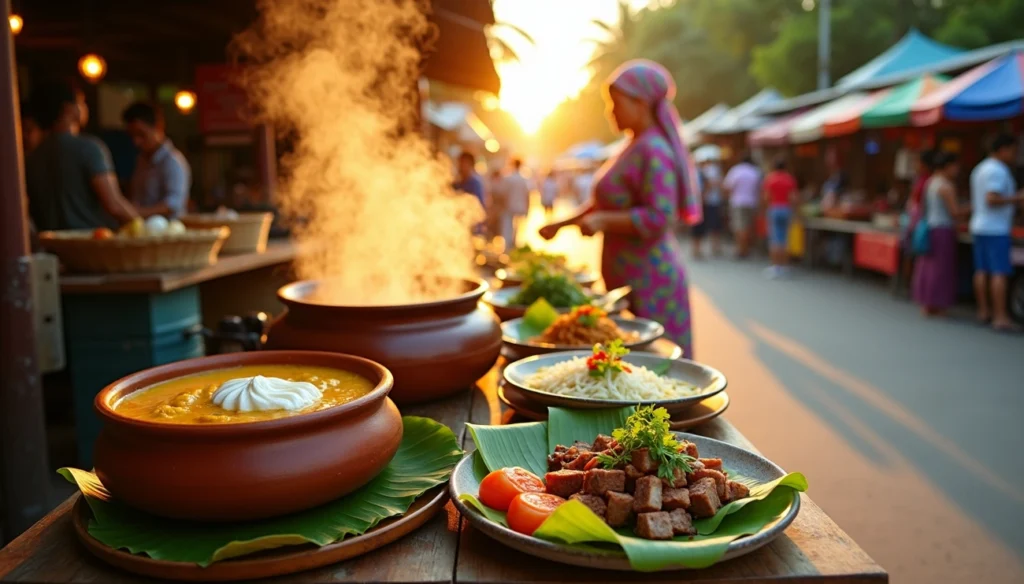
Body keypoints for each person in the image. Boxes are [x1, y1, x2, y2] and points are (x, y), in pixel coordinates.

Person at [538, 60, 701, 357]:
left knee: (657, 368)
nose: (610, 111)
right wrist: (563, 224)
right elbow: (603, 204)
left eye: (616, 102)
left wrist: (603, 222)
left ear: (641, 103)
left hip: (652, 282)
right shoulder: (632, 145)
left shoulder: (654, 150)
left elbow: (660, 217)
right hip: (629, 281)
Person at [25, 79, 138, 231]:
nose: (85, 107)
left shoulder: (32, 157)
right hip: (89, 246)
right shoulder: (89, 148)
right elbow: (114, 205)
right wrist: (144, 227)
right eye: (81, 102)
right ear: (69, 109)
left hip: (50, 246)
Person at [969, 134, 1024, 332]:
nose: (1015, 154)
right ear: (1004, 149)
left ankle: (984, 311)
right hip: (996, 228)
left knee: (982, 270)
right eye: (1013, 150)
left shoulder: (980, 168)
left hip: (979, 226)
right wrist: (1017, 198)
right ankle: (1000, 316)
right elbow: (992, 198)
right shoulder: (998, 171)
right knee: (999, 272)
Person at [912, 153, 967, 316]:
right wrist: (975, 207)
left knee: (928, 268)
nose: (957, 170)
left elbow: (922, 207)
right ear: (948, 166)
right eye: (956, 166)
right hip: (943, 229)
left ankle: (927, 302)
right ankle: (939, 304)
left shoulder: (930, 183)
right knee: (942, 269)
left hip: (930, 227)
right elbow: (955, 212)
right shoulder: (946, 186)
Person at [122, 101, 192, 218]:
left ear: (158, 127)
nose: (136, 141)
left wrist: (136, 213)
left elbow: (173, 205)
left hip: (169, 232)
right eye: (132, 136)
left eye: (141, 134)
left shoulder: (172, 161)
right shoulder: (141, 160)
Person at [762, 157, 798, 279]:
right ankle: (784, 266)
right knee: (785, 239)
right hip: (786, 209)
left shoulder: (770, 178)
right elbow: (793, 197)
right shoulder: (789, 179)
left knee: (775, 239)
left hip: (774, 208)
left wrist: (768, 207)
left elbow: (766, 197)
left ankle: (776, 266)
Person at [723, 154, 761, 258]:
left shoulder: (736, 170)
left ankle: (741, 249)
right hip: (752, 202)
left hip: (738, 202)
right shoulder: (755, 172)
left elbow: (727, 187)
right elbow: (759, 189)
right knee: (748, 227)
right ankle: (746, 248)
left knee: (739, 227)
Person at [691, 157, 724, 259]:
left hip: (703, 204)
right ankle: (698, 250)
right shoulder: (697, 172)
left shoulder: (700, 173)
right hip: (702, 204)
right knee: (700, 227)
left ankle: (702, 249)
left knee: (705, 226)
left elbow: (707, 185)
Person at [499, 157, 530, 251]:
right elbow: (527, 195)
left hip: (510, 206)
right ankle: (514, 245)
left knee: (509, 228)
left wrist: (503, 205)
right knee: (517, 228)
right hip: (520, 207)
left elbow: (504, 194)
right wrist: (527, 207)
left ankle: (509, 247)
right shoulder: (523, 179)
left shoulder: (508, 178)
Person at [453, 151, 486, 233]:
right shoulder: (457, 183)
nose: (460, 166)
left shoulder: (475, 183)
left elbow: (480, 207)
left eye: (464, 163)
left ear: (471, 165)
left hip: (471, 226)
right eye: (460, 163)